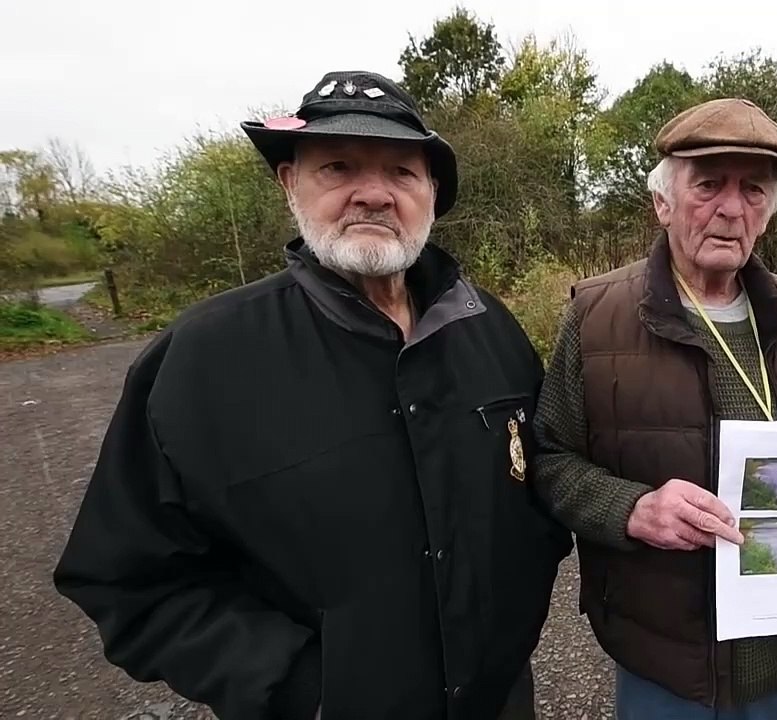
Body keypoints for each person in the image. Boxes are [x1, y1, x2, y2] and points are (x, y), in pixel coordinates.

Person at [52, 70, 571, 720]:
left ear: (432, 192)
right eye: (338, 167)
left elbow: (540, 494)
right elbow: (125, 577)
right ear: (289, 182)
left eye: (402, 173)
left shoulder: (490, 330)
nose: (374, 195)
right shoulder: (202, 359)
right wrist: (299, 687)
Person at [531, 97, 777, 720]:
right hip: (664, 664)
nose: (731, 207)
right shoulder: (595, 315)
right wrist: (633, 509)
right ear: (663, 202)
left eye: (753, 189)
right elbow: (550, 459)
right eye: (709, 184)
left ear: (768, 214)